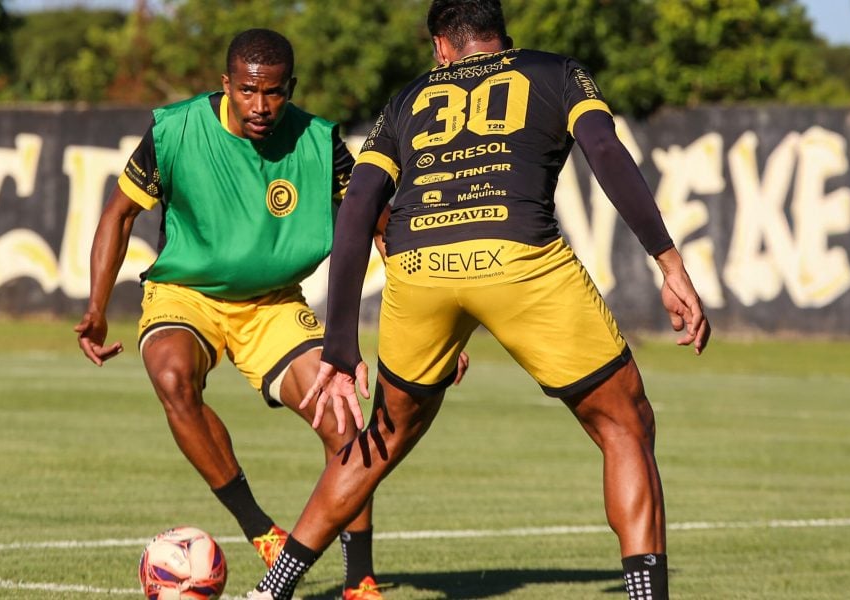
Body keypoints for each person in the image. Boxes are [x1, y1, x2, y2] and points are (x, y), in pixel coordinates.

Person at [247, 2, 710, 599]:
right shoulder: (555, 71)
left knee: (381, 440)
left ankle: (273, 589)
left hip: (419, 271)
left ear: (441, 47)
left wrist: (340, 342)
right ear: (503, 38)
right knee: (625, 424)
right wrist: (669, 264)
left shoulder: (409, 98)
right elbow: (606, 150)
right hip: (517, 259)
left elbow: (359, 204)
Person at [74, 28, 388, 600]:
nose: (261, 106)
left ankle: (360, 578)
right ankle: (261, 531)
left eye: (273, 93)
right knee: (172, 377)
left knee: (342, 420)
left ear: (290, 88)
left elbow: (381, 225)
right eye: (247, 91)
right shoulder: (177, 130)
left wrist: (431, 313)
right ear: (226, 84)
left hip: (272, 304)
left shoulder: (320, 142)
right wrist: (96, 308)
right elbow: (119, 215)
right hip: (185, 293)